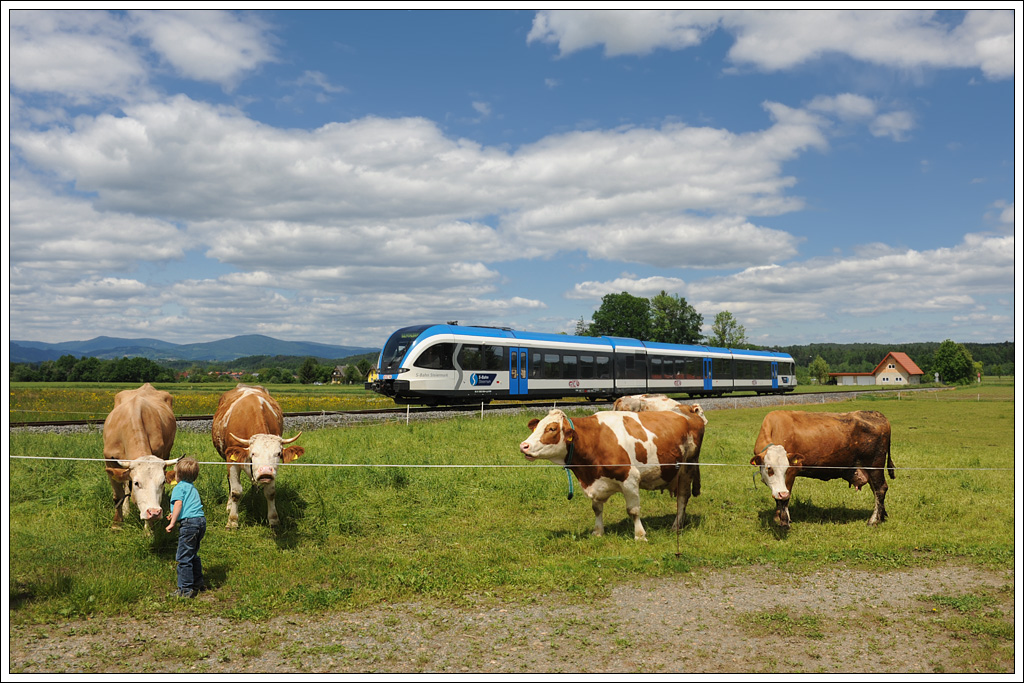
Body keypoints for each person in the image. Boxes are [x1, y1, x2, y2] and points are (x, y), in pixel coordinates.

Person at [166, 457, 206, 598]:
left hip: (189, 525)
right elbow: (189, 506)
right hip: (200, 521)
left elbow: (179, 504)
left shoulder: (179, 487)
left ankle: (185, 589)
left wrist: (172, 522)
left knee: (183, 557)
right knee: (192, 554)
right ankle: (198, 582)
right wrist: (174, 515)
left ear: (178, 475)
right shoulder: (192, 488)